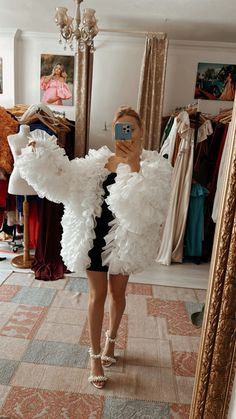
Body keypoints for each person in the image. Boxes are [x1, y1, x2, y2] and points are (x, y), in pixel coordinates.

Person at [16, 106, 173, 389]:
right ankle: (95, 356)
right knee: (96, 295)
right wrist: (40, 155)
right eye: (120, 128)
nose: (125, 134)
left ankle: (112, 340)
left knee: (118, 293)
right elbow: (64, 179)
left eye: (131, 128)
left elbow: (145, 211)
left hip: (125, 241)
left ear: (141, 131)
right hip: (93, 237)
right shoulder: (96, 162)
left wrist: (135, 166)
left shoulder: (153, 165)